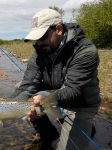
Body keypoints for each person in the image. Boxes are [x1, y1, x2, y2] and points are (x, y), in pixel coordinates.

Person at [11, 8, 101, 149]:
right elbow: (28, 86)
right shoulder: (39, 53)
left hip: (81, 103)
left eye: (41, 37)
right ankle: (48, 134)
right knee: (19, 87)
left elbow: (73, 90)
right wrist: (0, 112)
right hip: (53, 97)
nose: (38, 44)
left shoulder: (85, 51)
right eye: (35, 39)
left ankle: (86, 125)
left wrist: (44, 96)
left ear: (58, 29)